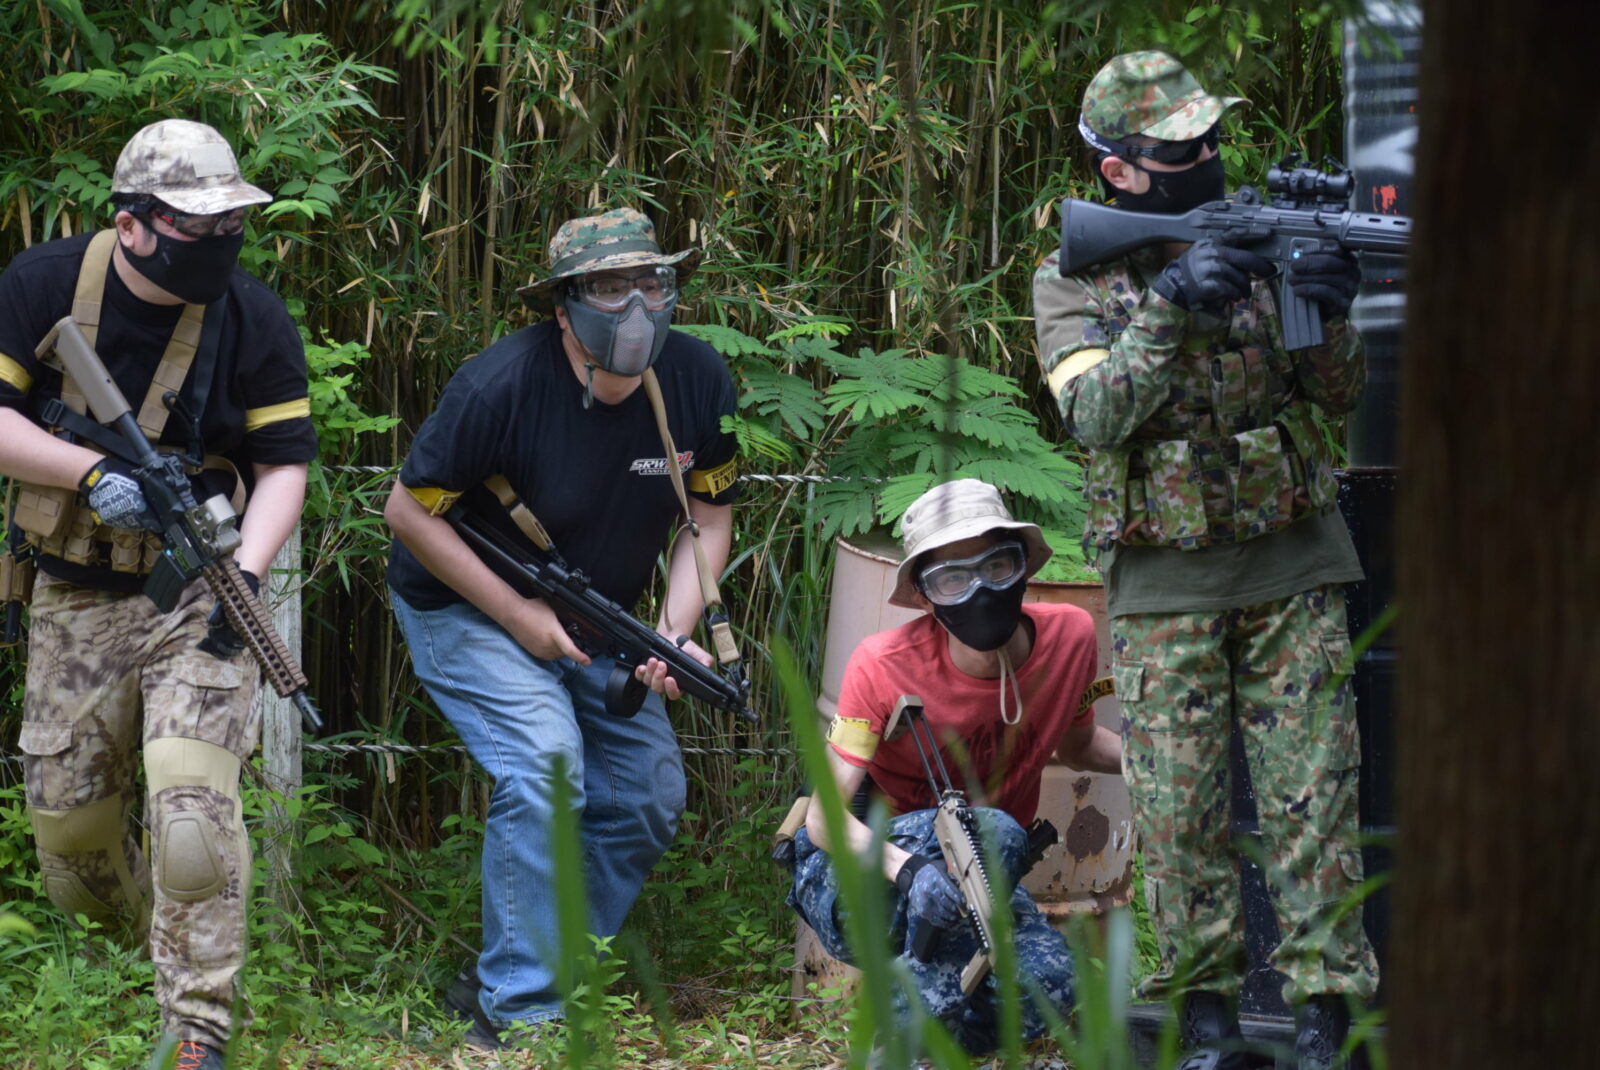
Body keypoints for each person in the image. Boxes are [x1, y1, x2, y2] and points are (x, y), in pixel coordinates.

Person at [1032, 51, 1378, 1070]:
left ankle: (1328, 1014)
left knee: (1315, 802)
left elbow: (1339, 395)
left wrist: (1329, 306)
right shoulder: (1074, 275)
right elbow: (1096, 415)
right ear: (1118, 174)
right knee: (1180, 814)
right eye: (1183, 150)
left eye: (1213, 140)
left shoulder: (1266, 245)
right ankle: (1206, 1019)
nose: (1209, 159)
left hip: (1291, 563)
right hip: (1163, 577)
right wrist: (1171, 302)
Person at [383, 207, 740, 1052]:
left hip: (598, 613)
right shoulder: (499, 386)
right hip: (468, 606)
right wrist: (518, 615)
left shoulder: (696, 378)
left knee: (647, 796)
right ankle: (523, 1013)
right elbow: (407, 511)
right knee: (546, 762)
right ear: (563, 306)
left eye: (652, 283)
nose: (636, 308)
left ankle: (535, 961)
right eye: (609, 289)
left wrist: (668, 635)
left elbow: (710, 517)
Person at [0, 119, 316, 1069]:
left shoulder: (255, 317)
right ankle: (155, 946)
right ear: (132, 222)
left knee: (190, 818)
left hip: (203, 594)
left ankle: (196, 1030)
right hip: (76, 592)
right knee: (73, 849)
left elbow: (284, 465)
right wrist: (92, 473)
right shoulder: (44, 284)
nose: (218, 241)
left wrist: (247, 572)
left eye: (231, 223)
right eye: (195, 224)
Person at [786, 478, 1122, 1056]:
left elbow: (1079, 746)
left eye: (996, 566)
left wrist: (1169, 763)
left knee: (1052, 982)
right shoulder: (883, 665)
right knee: (997, 832)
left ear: (1023, 566)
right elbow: (822, 820)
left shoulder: (1070, 638)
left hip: (982, 877)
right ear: (923, 596)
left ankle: (925, 1049)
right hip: (857, 876)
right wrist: (909, 872)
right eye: (951, 579)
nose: (979, 590)